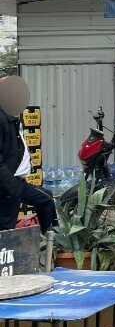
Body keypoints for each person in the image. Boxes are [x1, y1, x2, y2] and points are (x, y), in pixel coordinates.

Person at [0, 76, 56, 232]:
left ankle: (50, 241)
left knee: (46, 199)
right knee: (6, 229)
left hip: (18, 183)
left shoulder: (11, 117)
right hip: (7, 186)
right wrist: (10, 187)